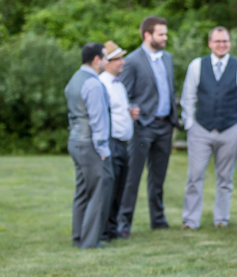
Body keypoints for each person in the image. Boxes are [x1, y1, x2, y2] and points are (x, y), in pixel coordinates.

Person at [179, 27, 237, 229]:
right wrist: (189, 123)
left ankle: (221, 218)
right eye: (218, 41)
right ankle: (190, 220)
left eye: (225, 41)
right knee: (194, 176)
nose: (222, 44)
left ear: (229, 43)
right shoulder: (197, 65)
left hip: (230, 129)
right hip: (200, 129)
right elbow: (188, 96)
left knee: (225, 178)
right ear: (210, 43)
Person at [116, 16, 180, 235]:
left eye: (165, 33)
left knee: (158, 178)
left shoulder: (167, 58)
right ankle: (123, 224)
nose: (165, 37)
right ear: (147, 35)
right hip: (143, 126)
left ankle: (158, 219)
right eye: (161, 34)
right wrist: (131, 108)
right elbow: (123, 94)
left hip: (165, 126)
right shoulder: (132, 60)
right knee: (132, 178)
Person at [65, 42, 114, 249]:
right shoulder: (93, 84)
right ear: (96, 60)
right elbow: (98, 120)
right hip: (90, 144)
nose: (106, 61)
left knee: (83, 191)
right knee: (97, 193)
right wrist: (102, 149)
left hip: (75, 141)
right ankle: (90, 241)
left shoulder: (74, 80)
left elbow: (72, 115)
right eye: (105, 57)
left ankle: (79, 237)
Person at [98, 41, 137, 241]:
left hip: (123, 143)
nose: (123, 62)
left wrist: (130, 113)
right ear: (107, 62)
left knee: (121, 187)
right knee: (110, 188)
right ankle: (103, 230)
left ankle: (113, 228)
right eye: (118, 59)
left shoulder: (119, 84)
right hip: (111, 141)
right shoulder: (102, 84)